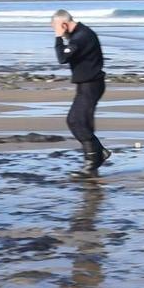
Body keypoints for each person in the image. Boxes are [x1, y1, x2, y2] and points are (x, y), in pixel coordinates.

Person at [51, 10, 112, 173]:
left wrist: (58, 37)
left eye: (56, 28)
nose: (58, 33)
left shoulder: (81, 37)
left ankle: (93, 160)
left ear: (64, 24)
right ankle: (98, 153)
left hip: (91, 85)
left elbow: (62, 58)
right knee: (78, 121)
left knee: (76, 121)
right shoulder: (80, 34)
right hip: (86, 84)